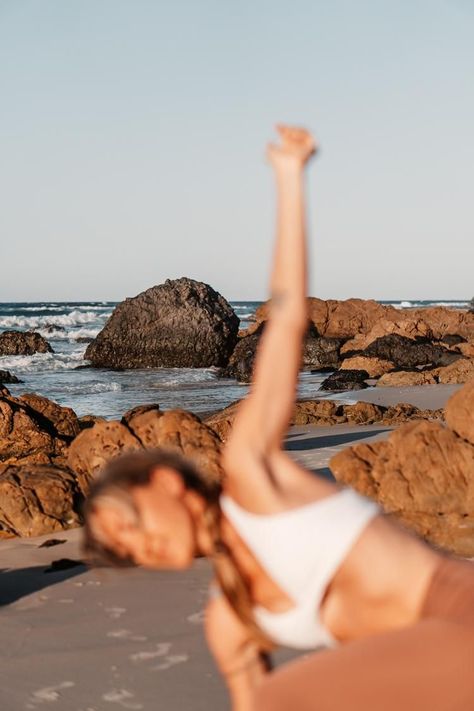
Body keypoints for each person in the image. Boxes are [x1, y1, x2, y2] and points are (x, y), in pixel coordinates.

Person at [83, 126, 474, 711]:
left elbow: (287, 319)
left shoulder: (253, 479)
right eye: (128, 553)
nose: (142, 548)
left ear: (163, 481)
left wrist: (290, 179)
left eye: (130, 525)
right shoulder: (230, 622)